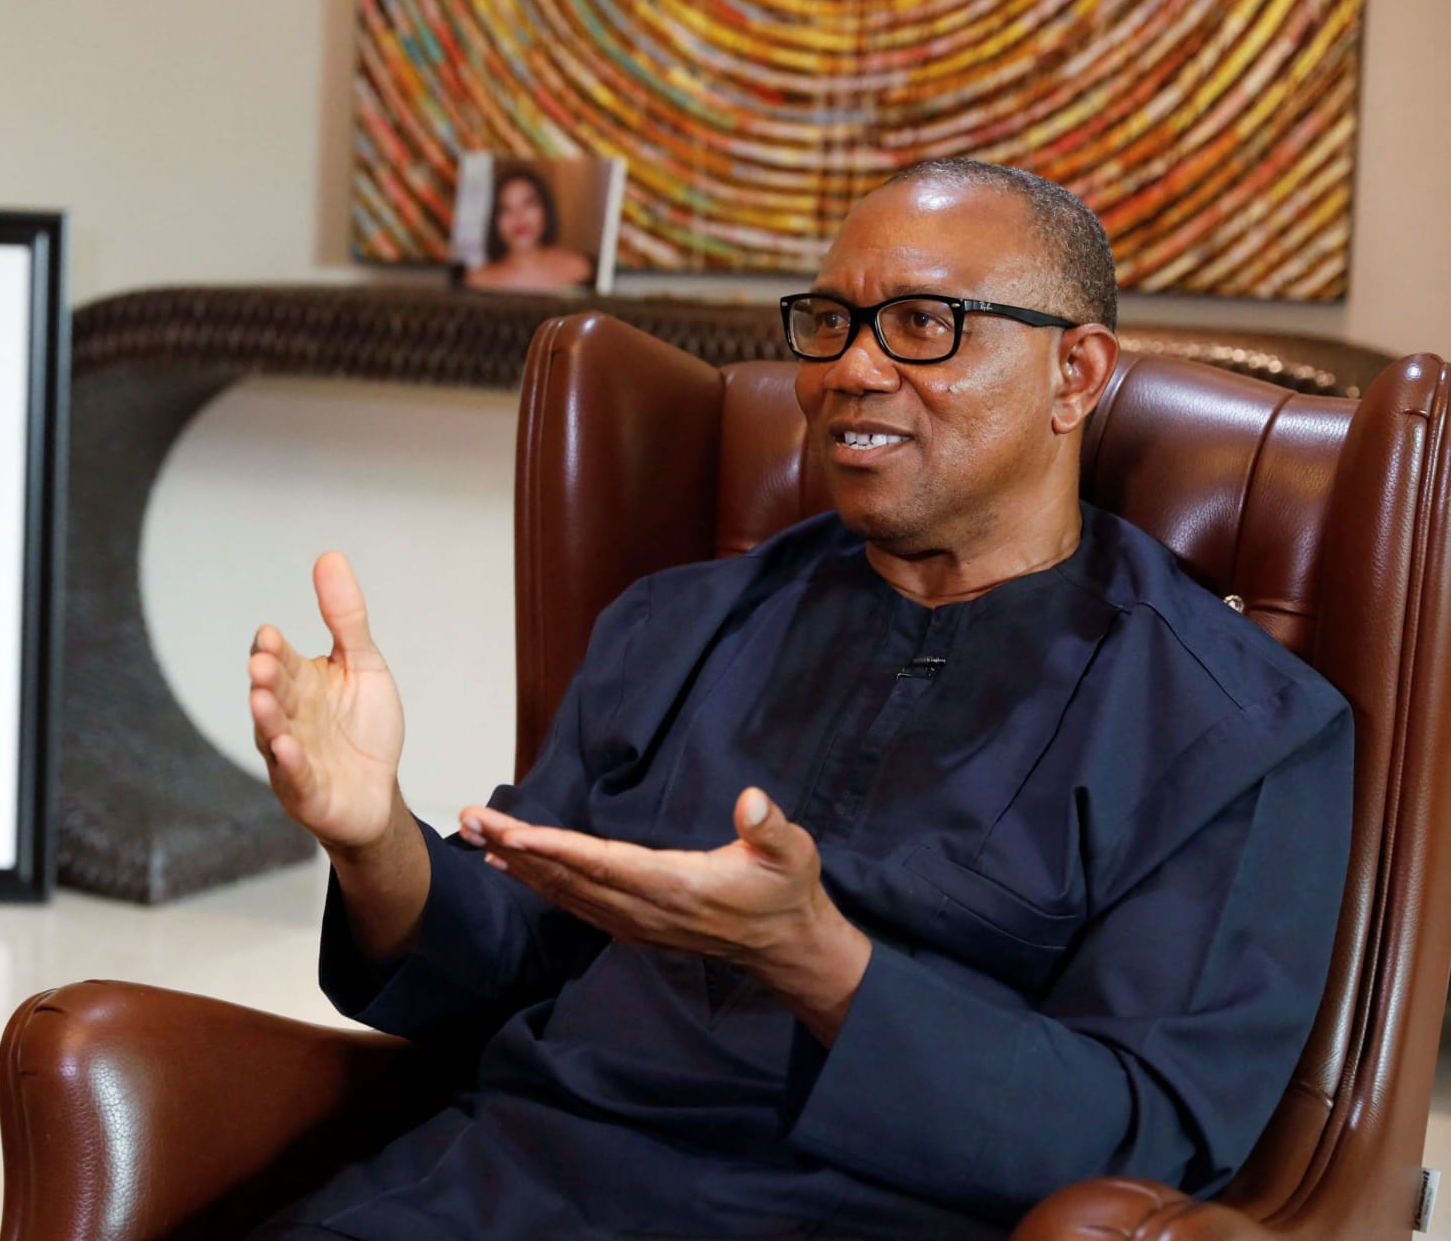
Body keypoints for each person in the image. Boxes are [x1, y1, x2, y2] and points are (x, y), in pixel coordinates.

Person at [245, 160, 1352, 1239]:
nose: (850, 371)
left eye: (924, 324)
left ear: (1077, 373)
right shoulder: (680, 623)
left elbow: (1143, 1132)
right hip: (509, 1179)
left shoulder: (1237, 727)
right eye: (830, 322)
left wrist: (818, 956)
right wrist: (375, 838)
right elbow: (514, 957)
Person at [465, 166, 597, 291]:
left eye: (528, 204)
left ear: (546, 210)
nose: (518, 217)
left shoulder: (579, 268)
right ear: (495, 221)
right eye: (505, 209)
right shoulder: (478, 280)